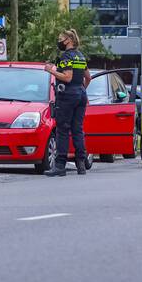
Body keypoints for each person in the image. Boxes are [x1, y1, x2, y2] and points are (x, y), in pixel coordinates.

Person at [42, 29, 91, 177]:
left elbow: (67, 77)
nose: (59, 41)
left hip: (67, 95)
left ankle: (60, 166)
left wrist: (51, 70)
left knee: (62, 130)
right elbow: (88, 78)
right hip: (80, 95)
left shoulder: (66, 57)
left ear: (68, 40)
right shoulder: (80, 56)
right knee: (78, 130)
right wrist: (81, 90)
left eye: (61, 38)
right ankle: (81, 165)